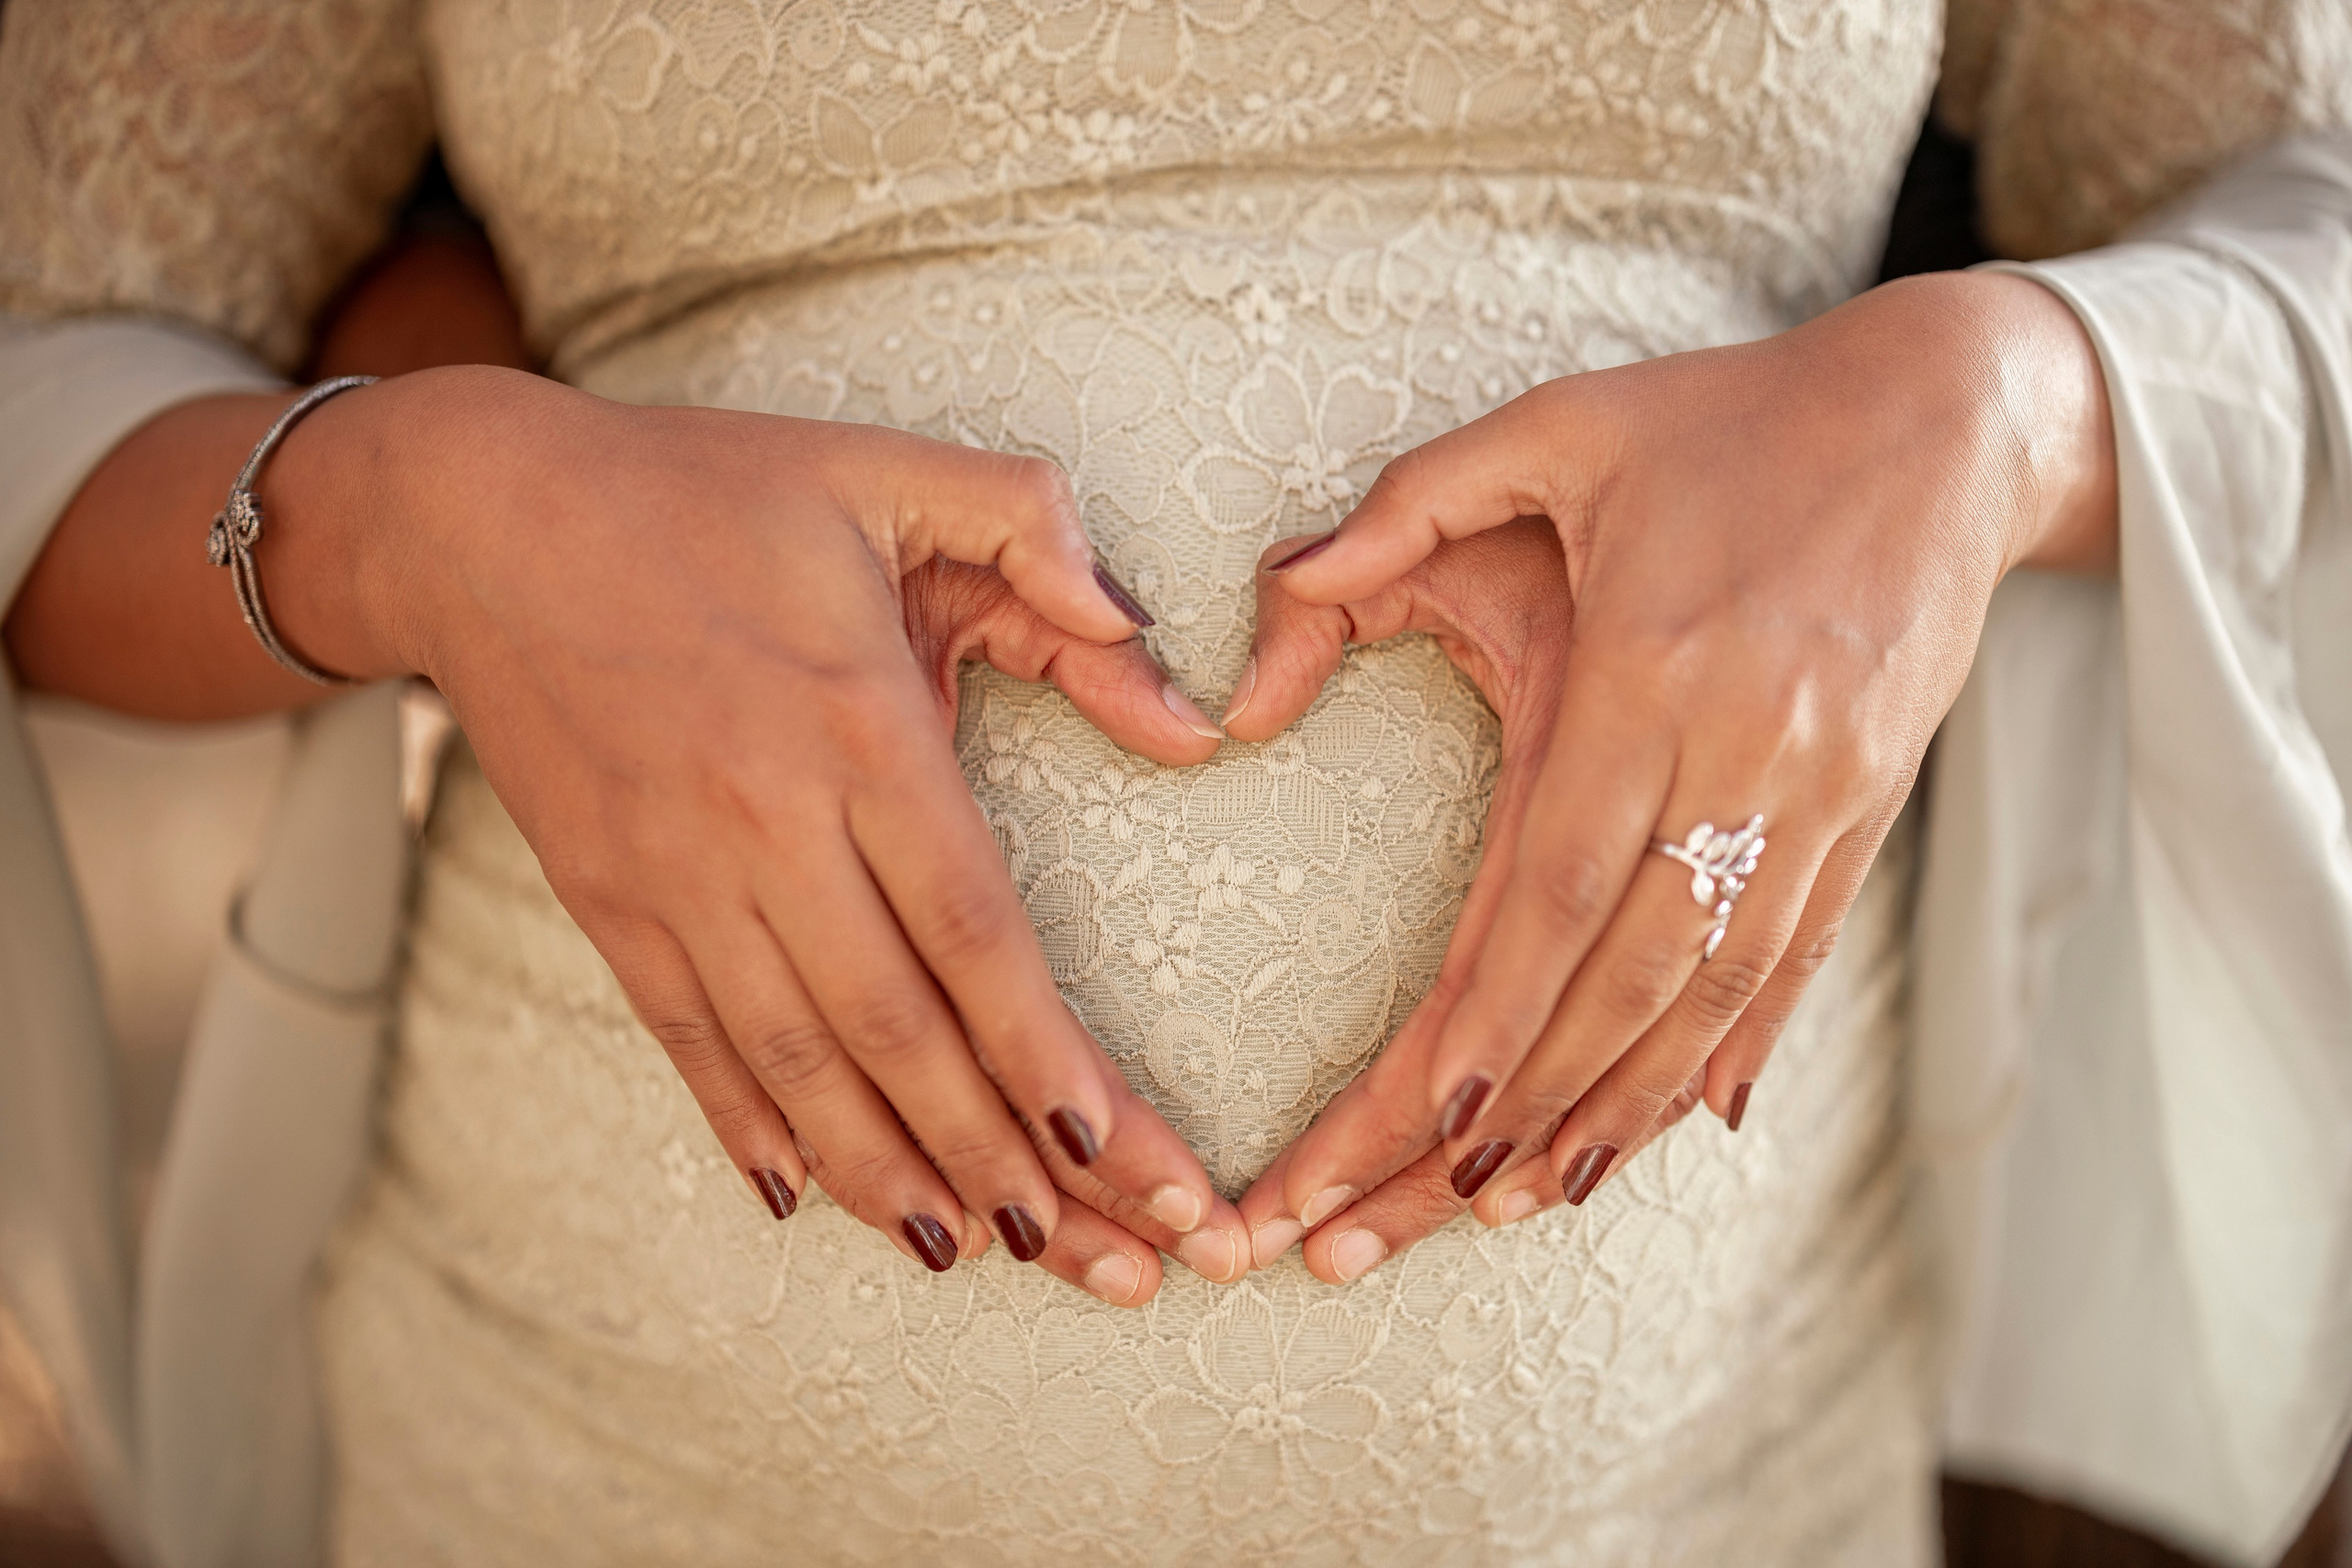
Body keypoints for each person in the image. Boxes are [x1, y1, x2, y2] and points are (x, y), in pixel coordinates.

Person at [0, 1, 2346, 1564]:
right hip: (591, 1462)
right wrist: (439, 511)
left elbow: (2303, 220)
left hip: (1693, 1485)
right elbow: (46, 376)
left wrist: (1996, 404)